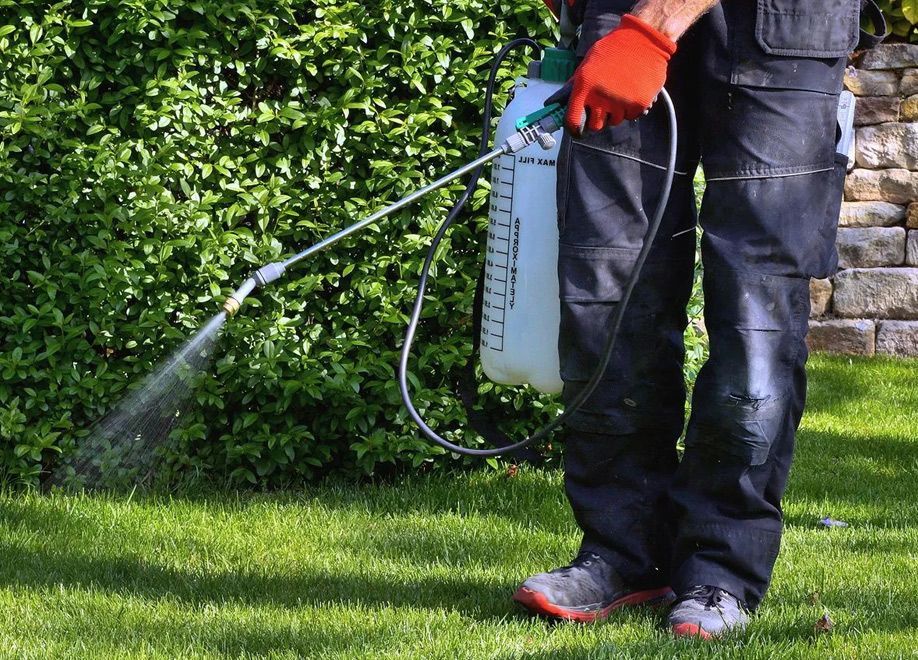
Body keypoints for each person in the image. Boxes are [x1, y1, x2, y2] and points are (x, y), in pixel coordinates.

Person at [511, 0, 865, 638]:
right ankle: (621, 553)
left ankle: (720, 569)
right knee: (607, 293)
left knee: (756, 312)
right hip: (616, 20)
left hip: (780, 29)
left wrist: (656, 26)